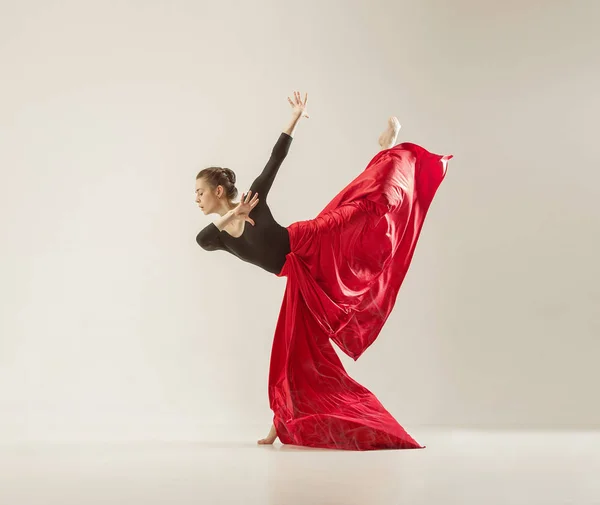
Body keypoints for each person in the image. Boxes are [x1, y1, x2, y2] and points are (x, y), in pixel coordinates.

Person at [195, 91, 451, 450]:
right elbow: (202, 240)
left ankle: (387, 152)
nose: (197, 199)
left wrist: (295, 117)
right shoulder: (221, 235)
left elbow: (275, 158)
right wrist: (231, 217)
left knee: (363, 209)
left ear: (218, 190)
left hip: (310, 242)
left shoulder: (254, 197)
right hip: (299, 275)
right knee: (292, 352)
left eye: (200, 192)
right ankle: (280, 424)